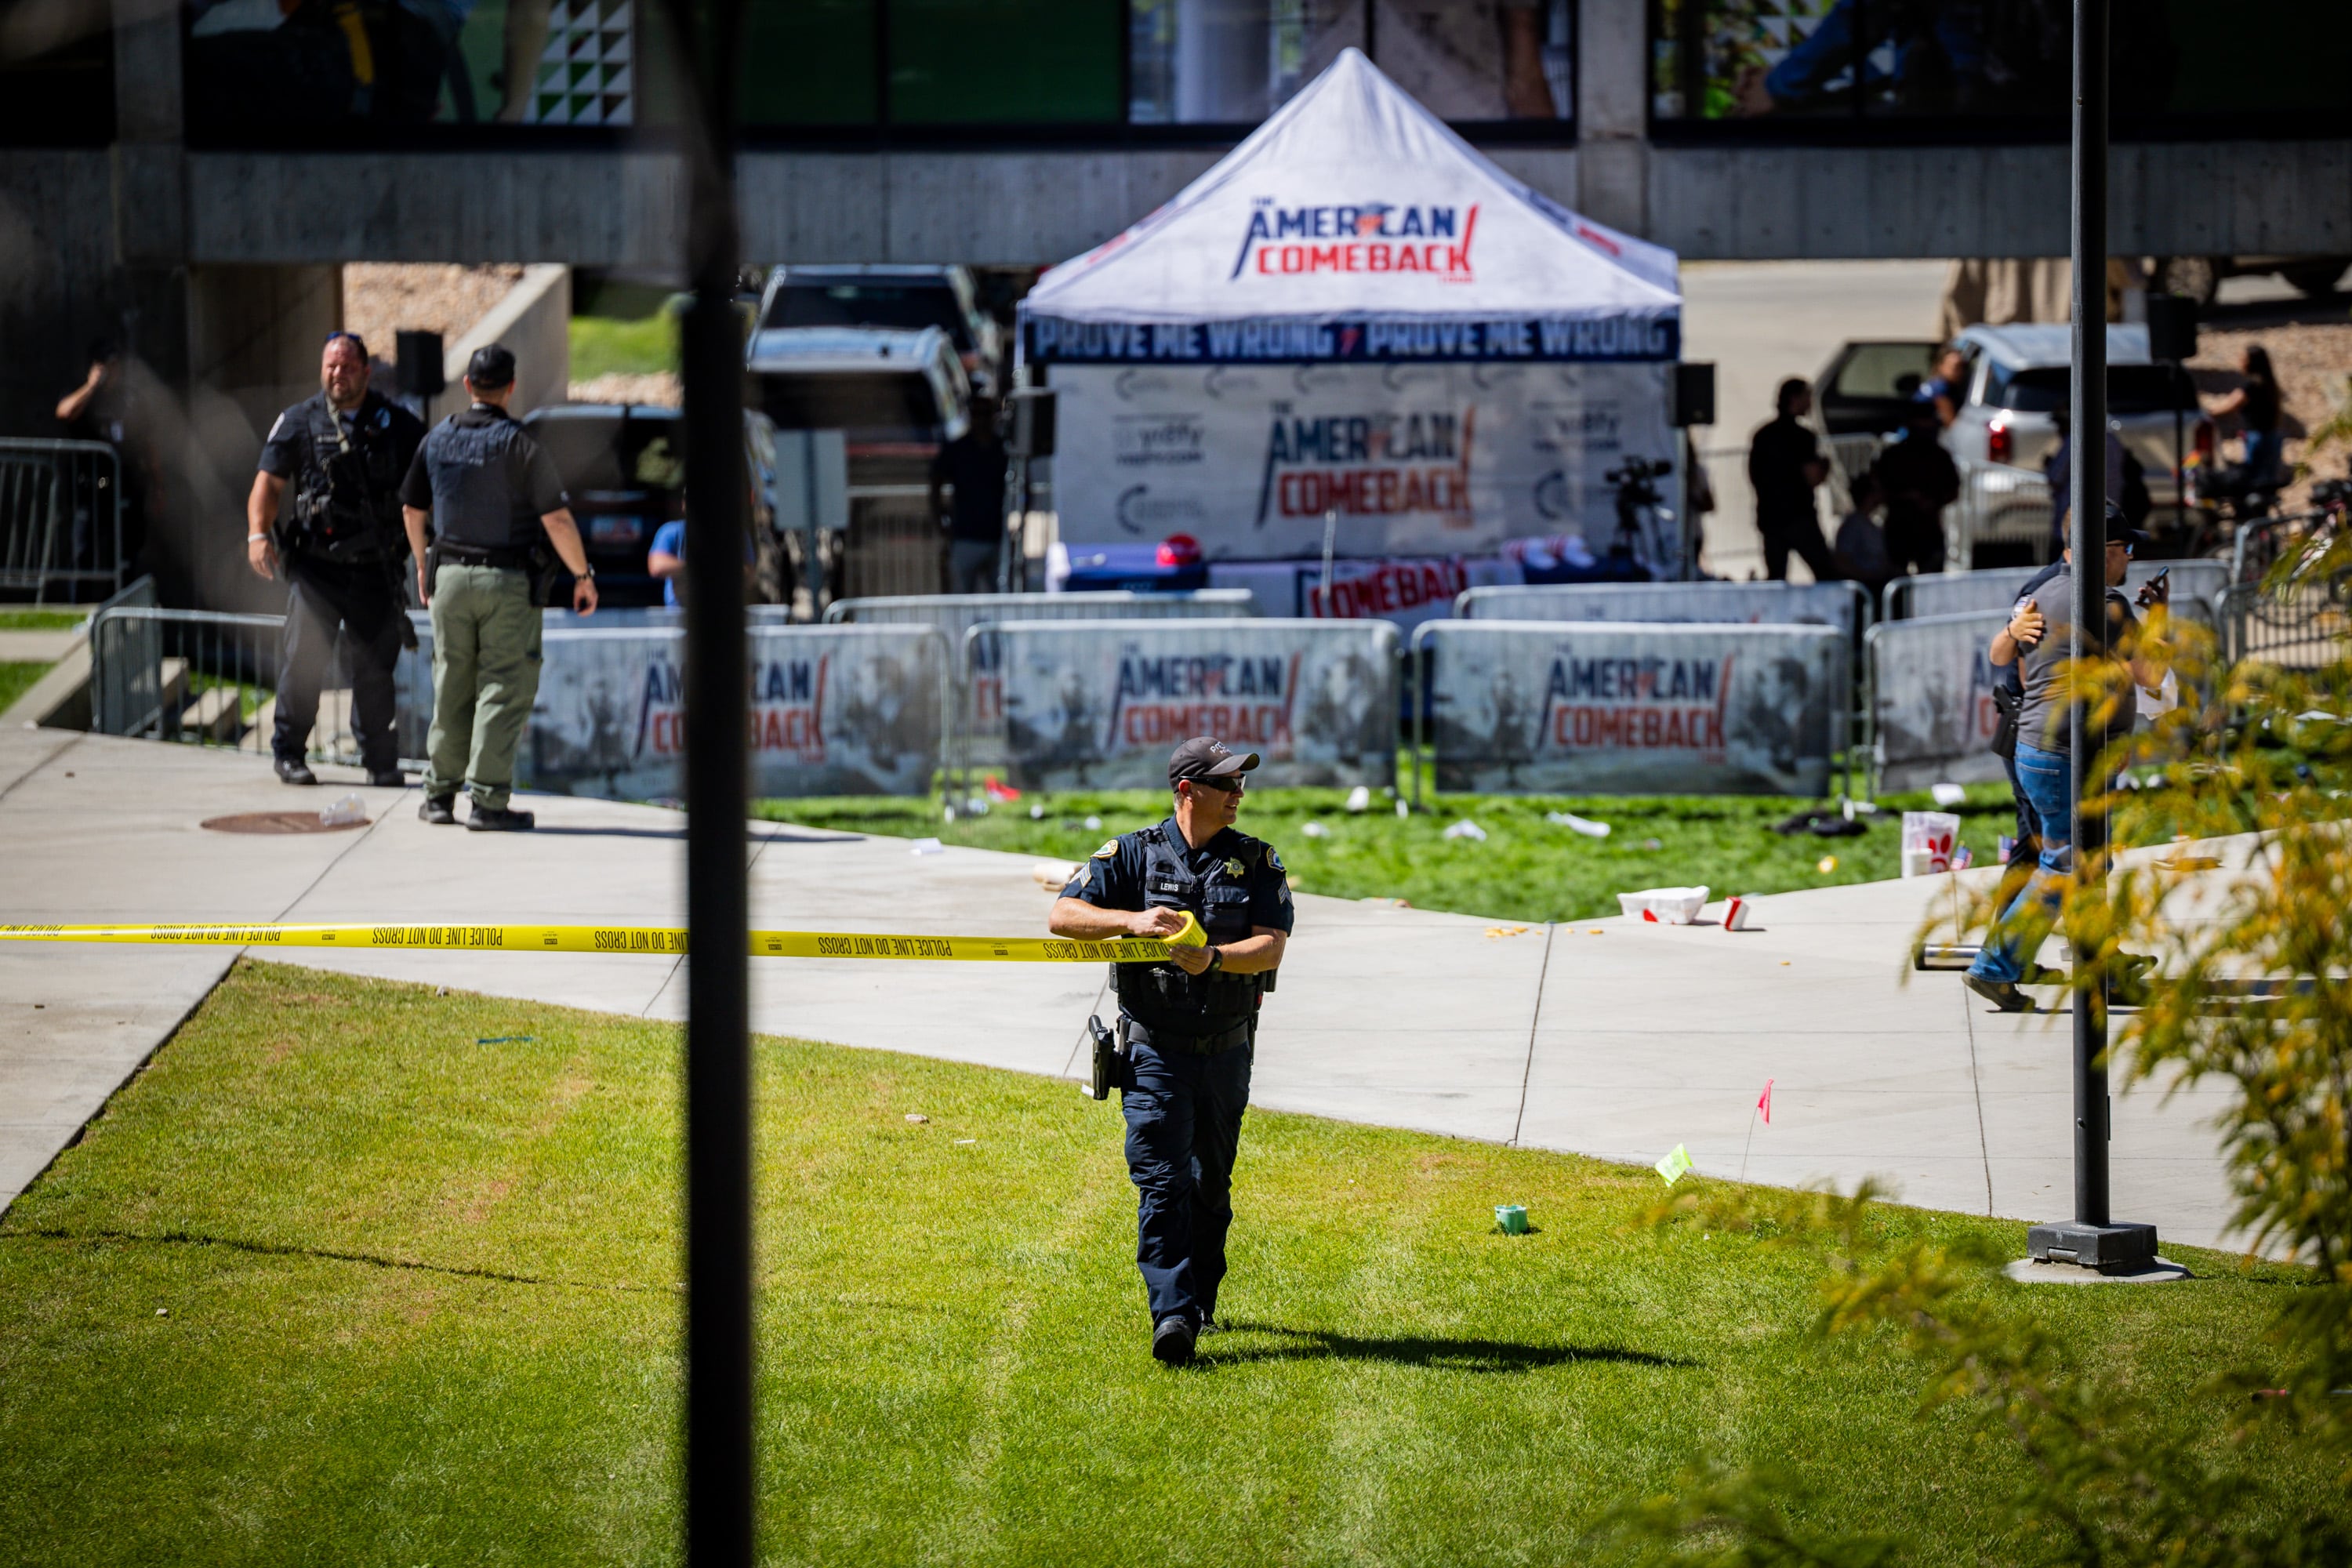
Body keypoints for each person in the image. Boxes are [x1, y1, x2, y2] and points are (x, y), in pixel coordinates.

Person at [1047, 738, 1294, 1367]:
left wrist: (1212, 957)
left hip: (1227, 1051)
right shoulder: (1131, 854)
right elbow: (1063, 916)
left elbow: (1270, 947)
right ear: (1187, 791)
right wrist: (1129, 922)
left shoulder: (1257, 861)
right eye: (1226, 784)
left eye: (1241, 783)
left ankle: (1201, 1298)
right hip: (1154, 1051)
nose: (1240, 794)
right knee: (1161, 1181)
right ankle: (1173, 1314)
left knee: (1211, 1182)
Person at [1965, 507, 2170, 1011]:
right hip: (2065, 756)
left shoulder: (2046, 593)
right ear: (2104, 552)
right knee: (2064, 866)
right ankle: (1995, 965)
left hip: (2044, 750)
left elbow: (2011, 655)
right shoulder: (2106, 603)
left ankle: (2102, 968)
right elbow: (2152, 673)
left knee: (2085, 862)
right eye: (2125, 549)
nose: (2128, 559)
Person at [399, 344, 598, 832]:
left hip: (448, 578)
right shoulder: (522, 444)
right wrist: (582, 576)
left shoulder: (436, 440)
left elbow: (411, 509)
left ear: (466, 385)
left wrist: (423, 566)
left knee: (452, 685)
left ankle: (439, 797)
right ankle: (487, 803)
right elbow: (556, 518)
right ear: (511, 387)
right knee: (501, 688)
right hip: (506, 583)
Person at [247, 331, 425, 787]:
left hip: (375, 570)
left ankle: (380, 763)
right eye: (330, 365)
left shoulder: (399, 424)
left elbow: (425, 489)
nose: (337, 374)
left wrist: (428, 553)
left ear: (366, 371)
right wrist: (257, 534)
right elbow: (268, 483)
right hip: (316, 571)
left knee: (374, 672)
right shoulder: (298, 421)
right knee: (304, 663)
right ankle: (289, 754)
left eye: (347, 366)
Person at [1748, 378, 1840, 583]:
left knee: (1776, 577)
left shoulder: (1762, 435)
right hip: (1798, 517)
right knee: (1826, 574)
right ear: (1795, 399)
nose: (1810, 403)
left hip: (1770, 517)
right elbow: (1813, 477)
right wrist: (1826, 465)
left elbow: (1753, 476)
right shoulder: (1802, 437)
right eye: (1807, 397)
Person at [1871, 400, 1960, 578]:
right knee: (1896, 578)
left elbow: (1952, 490)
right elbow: (1879, 488)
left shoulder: (1939, 456)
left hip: (1928, 528)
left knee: (1930, 580)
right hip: (1899, 528)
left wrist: (1932, 502)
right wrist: (1907, 498)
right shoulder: (1894, 456)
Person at [929, 397, 1008, 596]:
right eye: (976, 413)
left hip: (997, 538)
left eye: (985, 413)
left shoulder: (1003, 449)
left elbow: (1022, 487)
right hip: (965, 538)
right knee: (962, 601)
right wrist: (939, 520)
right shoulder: (958, 449)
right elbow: (936, 481)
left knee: (1001, 599)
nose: (981, 419)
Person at [2207, 344, 2285, 489]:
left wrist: (2206, 412)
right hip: (2273, 436)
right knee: (2268, 480)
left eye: (2243, 359)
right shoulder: (2269, 384)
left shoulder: (2251, 387)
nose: (2240, 362)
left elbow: (2229, 406)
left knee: (2255, 480)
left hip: (2258, 438)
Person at [1831, 471, 1895, 599]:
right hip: (1864, 591)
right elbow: (1842, 561)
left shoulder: (1873, 524)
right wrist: (1867, 576)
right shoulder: (1853, 525)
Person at [1915, 346, 1968, 427]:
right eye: (1953, 367)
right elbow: (1951, 423)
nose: (1958, 371)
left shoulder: (1934, 384)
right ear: (1941, 366)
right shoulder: (1940, 387)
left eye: (1961, 367)